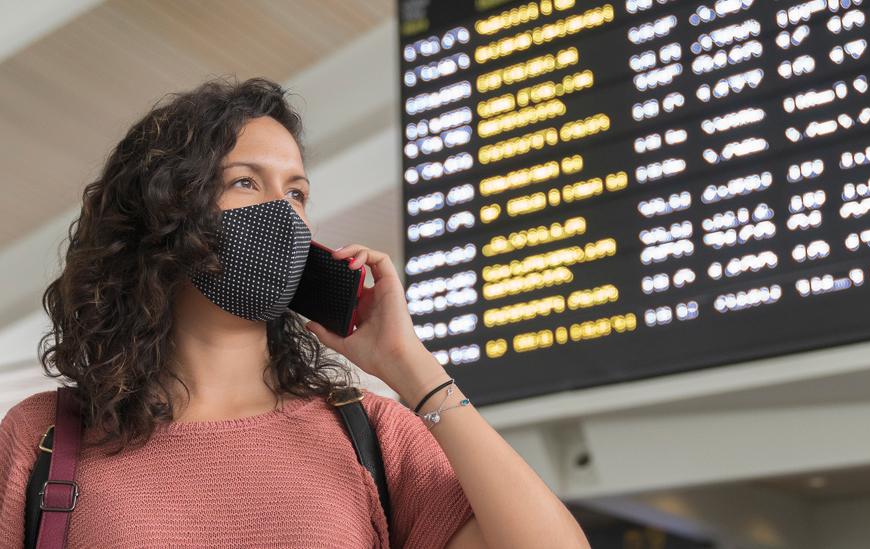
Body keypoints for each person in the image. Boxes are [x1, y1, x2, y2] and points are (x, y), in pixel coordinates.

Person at [0, 76, 590, 548]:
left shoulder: (369, 432)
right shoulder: (43, 436)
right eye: (245, 183)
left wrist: (409, 366)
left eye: (296, 192)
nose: (283, 215)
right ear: (162, 215)